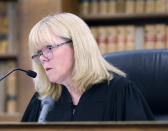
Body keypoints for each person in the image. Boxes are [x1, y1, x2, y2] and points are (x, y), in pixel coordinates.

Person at [21, 13, 154, 122]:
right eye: (39, 52)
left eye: (49, 47)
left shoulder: (121, 93)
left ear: (77, 46)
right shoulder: (44, 100)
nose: (42, 57)